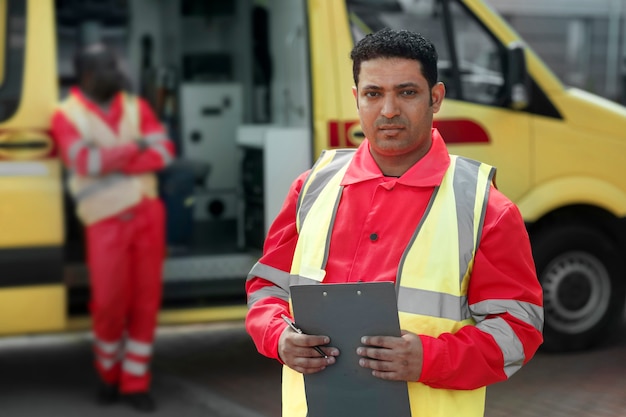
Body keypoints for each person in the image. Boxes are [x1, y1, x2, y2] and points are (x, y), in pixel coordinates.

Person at [245, 28, 543, 417]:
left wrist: (431, 359)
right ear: (356, 99)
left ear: (435, 98)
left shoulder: (485, 207)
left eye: (406, 92)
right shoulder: (312, 188)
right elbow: (266, 289)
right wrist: (278, 336)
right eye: (373, 94)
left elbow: (518, 332)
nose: (388, 110)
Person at [51, 42, 175, 413]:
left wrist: (117, 161)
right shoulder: (66, 114)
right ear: (88, 75)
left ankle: (135, 383)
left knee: (145, 304)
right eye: (109, 67)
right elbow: (84, 162)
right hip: (105, 221)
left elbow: (164, 152)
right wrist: (133, 149)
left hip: (147, 216)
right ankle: (108, 374)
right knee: (107, 305)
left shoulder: (136, 107)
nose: (118, 73)